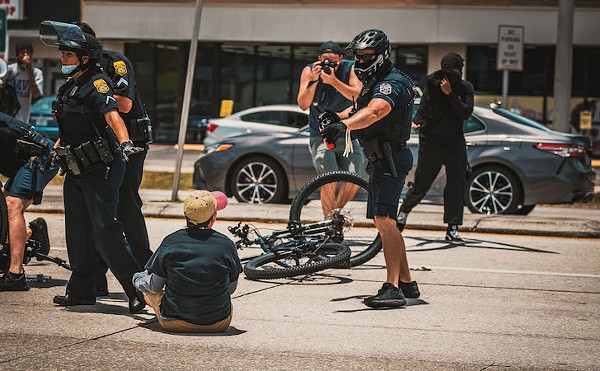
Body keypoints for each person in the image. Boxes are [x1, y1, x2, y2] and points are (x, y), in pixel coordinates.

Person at [39, 21, 145, 313]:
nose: (63, 59)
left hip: (101, 168)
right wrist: (54, 151)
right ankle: (82, 290)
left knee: (104, 230)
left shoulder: (97, 82)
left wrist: (125, 143)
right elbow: (71, 129)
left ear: (84, 57)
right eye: (62, 54)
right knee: (77, 232)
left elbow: (113, 115)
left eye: (68, 55)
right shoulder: (68, 88)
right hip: (75, 169)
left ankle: (136, 289)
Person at [320, 29, 418, 308]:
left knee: (385, 221)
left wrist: (345, 126)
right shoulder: (375, 80)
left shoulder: (392, 83)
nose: (360, 61)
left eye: (366, 56)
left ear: (382, 55)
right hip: (379, 160)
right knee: (385, 222)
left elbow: (376, 111)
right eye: (358, 57)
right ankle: (408, 283)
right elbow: (359, 111)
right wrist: (336, 118)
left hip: (390, 160)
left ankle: (393, 288)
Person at [73, 22, 153, 297]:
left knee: (126, 205)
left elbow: (125, 103)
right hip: (101, 148)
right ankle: (96, 278)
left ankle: (147, 271)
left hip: (130, 141)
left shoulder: (114, 62)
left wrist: (96, 98)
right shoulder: (81, 72)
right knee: (99, 212)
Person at [133, 190, 242, 333]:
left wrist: (136, 279)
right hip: (218, 323)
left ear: (186, 215)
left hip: (173, 322)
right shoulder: (227, 245)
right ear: (213, 217)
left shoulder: (171, 242)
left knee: (151, 293)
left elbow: (154, 286)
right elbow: (230, 288)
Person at [396, 52, 474, 245]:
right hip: (431, 141)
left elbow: (465, 113)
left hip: (455, 142)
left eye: (455, 71)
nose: (451, 75)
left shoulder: (465, 88)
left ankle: (453, 227)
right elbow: (425, 105)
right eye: (448, 71)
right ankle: (402, 214)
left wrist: (450, 95)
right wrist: (417, 120)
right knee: (422, 183)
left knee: (457, 184)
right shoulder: (432, 82)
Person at [297, 41, 366, 216]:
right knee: (329, 179)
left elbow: (358, 96)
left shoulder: (351, 68)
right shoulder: (309, 71)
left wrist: (334, 81)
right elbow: (303, 104)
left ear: (341, 59)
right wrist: (314, 81)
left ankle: (335, 215)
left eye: (333, 62)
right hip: (321, 134)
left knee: (355, 177)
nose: (328, 65)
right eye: (325, 61)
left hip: (347, 131)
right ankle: (330, 222)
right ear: (319, 59)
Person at [0, 113, 58, 291]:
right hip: (21, 162)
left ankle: (16, 275)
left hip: (40, 156)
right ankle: (33, 232)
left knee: (12, 205)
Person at [5, 41, 43, 123]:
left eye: (28, 53)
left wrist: (28, 69)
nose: (25, 55)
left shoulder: (36, 73)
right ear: (17, 55)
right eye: (22, 53)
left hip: (25, 118)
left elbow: (36, 94)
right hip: (9, 116)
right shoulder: (10, 70)